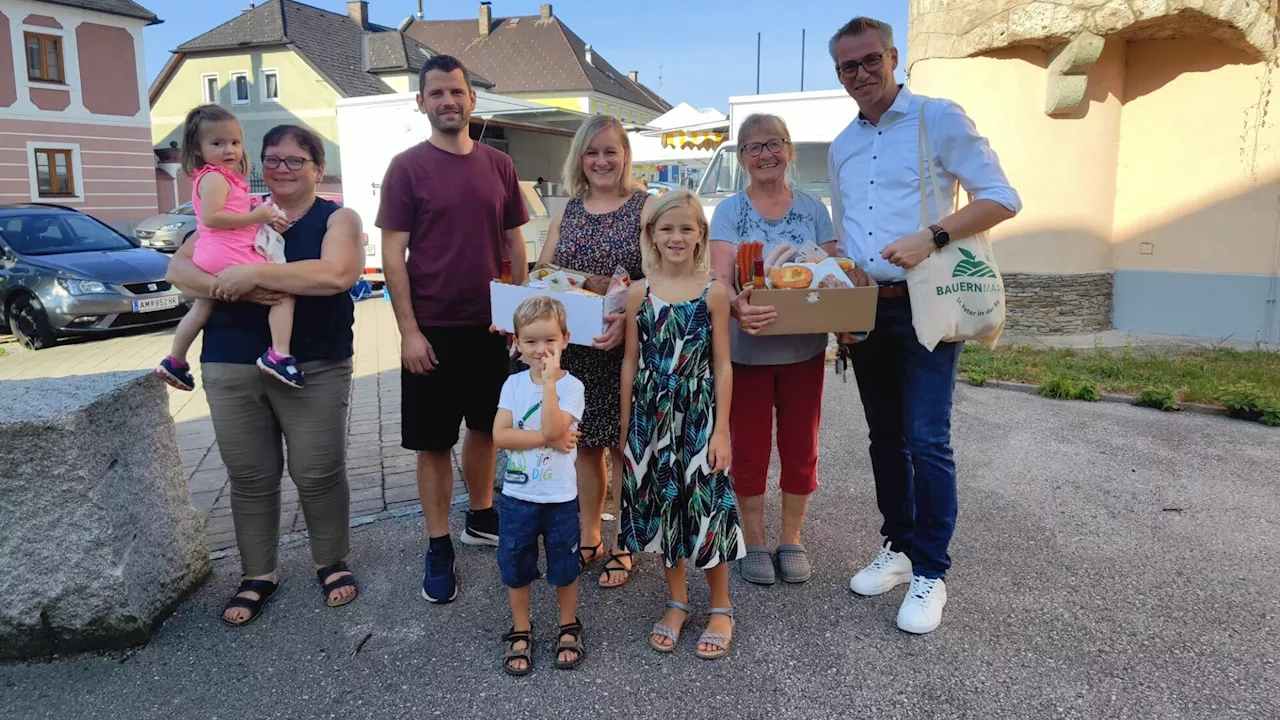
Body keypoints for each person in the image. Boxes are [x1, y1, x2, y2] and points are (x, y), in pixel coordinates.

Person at [828, 17, 1021, 634]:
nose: (859, 74)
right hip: (866, 305)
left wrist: (932, 235)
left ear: (892, 56)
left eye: (868, 61)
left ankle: (932, 571)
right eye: (846, 66)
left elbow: (1002, 196)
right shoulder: (840, 146)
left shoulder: (938, 117)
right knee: (884, 438)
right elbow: (849, 233)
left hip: (927, 301)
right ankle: (899, 548)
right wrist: (836, 298)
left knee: (926, 438)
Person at [165, 124, 365, 626]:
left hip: (315, 361)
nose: (281, 168)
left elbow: (335, 274)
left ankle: (330, 561)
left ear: (318, 169)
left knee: (318, 472)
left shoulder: (336, 217)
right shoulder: (237, 211)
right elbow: (178, 270)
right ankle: (258, 573)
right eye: (272, 159)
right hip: (230, 360)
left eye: (295, 160)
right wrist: (234, 285)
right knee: (250, 477)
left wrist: (252, 275)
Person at [376, 55, 530, 604]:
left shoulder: (498, 165)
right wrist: (408, 331)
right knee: (434, 441)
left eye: (457, 92)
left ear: (472, 99)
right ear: (421, 103)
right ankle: (438, 544)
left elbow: (515, 243)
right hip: (433, 329)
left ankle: (481, 515)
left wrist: (521, 315)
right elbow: (392, 255)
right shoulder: (406, 168)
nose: (448, 101)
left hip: (490, 327)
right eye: (436, 93)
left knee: (488, 429)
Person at [708, 114, 846, 586]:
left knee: (800, 446)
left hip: (804, 350)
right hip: (747, 351)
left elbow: (831, 274)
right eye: (753, 147)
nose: (765, 154)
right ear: (742, 158)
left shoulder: (813, 209)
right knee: (749, 450)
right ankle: (754, 540)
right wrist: (737, 309)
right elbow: (720, 279)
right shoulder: (730, 211)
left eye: (773, 144)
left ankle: (791, 538)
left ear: (788, 150)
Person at [619, 190, 745, 660]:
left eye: (686, 229)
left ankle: (721, 606)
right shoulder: (638, 291)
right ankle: (677, 601)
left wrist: (721, 431)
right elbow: (630, 362)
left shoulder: (714, 292)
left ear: (700, 236)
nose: (676, 237)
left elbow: (724, 367)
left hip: (698, 415)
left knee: (707, 508)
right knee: (664, 507)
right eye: (666, 228)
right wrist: (629, 427)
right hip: (651, 419)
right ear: (652, 234)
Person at [536, 114, 652, 589]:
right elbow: (543, 271)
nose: (602, 160)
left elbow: (666, 275)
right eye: (592, 152)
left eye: (610, 151)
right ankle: (590, 536)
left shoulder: (646, 208)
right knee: (585, 448)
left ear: (625, 155)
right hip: (578, 349)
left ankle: (625, 541)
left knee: (625, 448)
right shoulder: (569, 209)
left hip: (628, 347)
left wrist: (627, 316)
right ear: (579, 159)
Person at [156, 105, 300, 392]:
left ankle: (175, 360)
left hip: (212, 253)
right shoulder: (215, 178)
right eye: (218, 143)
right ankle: (279, 354)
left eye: (235, 142)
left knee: (201, 307)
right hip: (226, 251)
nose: (229, 150)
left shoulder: (223, 178)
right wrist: (257, 216)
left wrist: (259, 215)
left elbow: (229, 213)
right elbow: (212, 218)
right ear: (198, 149)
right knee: (283, 292)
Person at [492, 296, 587, 675]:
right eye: (530, 341)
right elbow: (501, 436)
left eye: (549, 340)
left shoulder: (571, 387)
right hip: (518, 496)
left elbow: (551, 425)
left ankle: (568, 623)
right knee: (515, 564)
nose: (540, 349)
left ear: (565, 339)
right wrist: (550, 439)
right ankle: (521, 627)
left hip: (560, 497)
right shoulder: (513, 385)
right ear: (517, 342)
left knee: (564, 563)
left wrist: (549, 386)